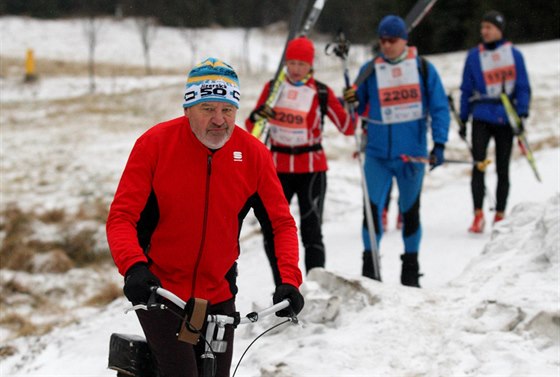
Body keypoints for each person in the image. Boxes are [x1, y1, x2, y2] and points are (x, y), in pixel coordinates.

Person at [106, 58, 304, 377]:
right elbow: (121, 217)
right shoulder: (154, 145)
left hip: (219, 293)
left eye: (227, 110)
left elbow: (281, 224)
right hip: (161, 289)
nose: (219, 120)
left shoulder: (253, 155)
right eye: (207, 108)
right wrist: (134, 267)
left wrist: (289, 280)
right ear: (187, 109)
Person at [344, 15, 450, 287]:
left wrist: (439, 144)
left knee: (411, 211)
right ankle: (370, 269)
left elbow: (439, 108)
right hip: (378, 155)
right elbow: (354, 109)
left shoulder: (423, 68)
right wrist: (350, 100)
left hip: (411, 156)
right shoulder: (370, 70)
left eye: (392, 40)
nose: (387, 45)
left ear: (404, 40)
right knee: (371, 211)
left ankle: (411, 271)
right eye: (382, 40)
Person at [245, 37, 355, 286]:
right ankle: (283, 287)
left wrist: (352, 105)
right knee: (273, 230)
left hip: (312, 169)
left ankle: (314, 287)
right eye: (291, 63)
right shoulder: (273, 88)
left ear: (310, 65)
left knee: (311, 230)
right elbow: (252, 127)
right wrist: (257, 115)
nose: (295, 69)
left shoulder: (322, 91)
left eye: (301, 64)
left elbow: (348, 128)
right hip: (276, 169)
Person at [459, 10, 531, 233]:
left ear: (499, 29)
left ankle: (500, 213)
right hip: (481, 116)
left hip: (505, 117)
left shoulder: (514, 55)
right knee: (478, 165)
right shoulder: (474, 56)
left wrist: (522, 113)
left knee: (502, 168)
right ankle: (478, 214)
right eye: (482, 28)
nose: (484, 32)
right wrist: (463, 118)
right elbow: (466, 88)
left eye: (488, 27)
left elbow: (522, 86)